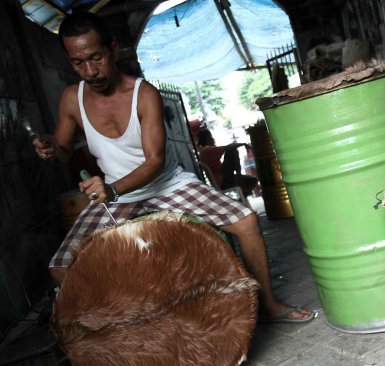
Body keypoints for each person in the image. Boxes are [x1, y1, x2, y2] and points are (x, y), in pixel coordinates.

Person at [32, 11, 313, 323]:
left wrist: (110, 189)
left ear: (113, 49)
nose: (90, 70)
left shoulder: (143, 93)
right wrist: (50, 147)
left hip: (163, 185)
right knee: (60, 267)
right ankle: (121, 327)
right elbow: (64, 149)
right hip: (117, 197)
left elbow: (154, 162)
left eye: (96, 57)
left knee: (246, 222)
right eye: (78, 62)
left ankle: (269, 305)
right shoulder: (72, 98)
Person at [197, 129, 258, 195]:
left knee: (253, 180)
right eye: (211, 136)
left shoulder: (204, 151)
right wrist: (244, 144)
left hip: (224, 179)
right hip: (223, 182)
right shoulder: (207, 150)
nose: (213, 139)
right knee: (232, 150)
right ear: (207, 138)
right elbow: (228, 147)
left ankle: (242, 194)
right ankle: (239, 178)